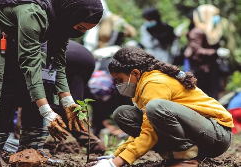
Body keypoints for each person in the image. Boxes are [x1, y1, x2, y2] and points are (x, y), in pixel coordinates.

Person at [0, 0, 103, 165]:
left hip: (25, 36)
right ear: (72, 17)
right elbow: (30, 65)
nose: (82, 33)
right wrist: (47, 112)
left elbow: (58, 63)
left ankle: (31, 148)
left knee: (45, 78)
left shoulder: (63, 20)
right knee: (2, 86)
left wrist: (68, 101)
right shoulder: (32, 13)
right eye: (81, 28)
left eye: (86, 30)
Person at [91, 47, 233, 167]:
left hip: (217, 135)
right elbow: (141, 130)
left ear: (135, 73)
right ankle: (176, 155)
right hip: (198, 134)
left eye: (119, 79)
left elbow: (149, 131)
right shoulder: (141, 87)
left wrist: (116, 163)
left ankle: (187, 159)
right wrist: (114, 156)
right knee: (122, 113)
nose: (118, 85)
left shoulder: (154, 83)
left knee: (155, 107)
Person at [184, 4, 224, 100]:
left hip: (210, 69)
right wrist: (216, 52)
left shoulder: (211, 31)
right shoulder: (197, 31)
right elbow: (197, 51)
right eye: (213, 15)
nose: (216, 18)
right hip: (201, 70)